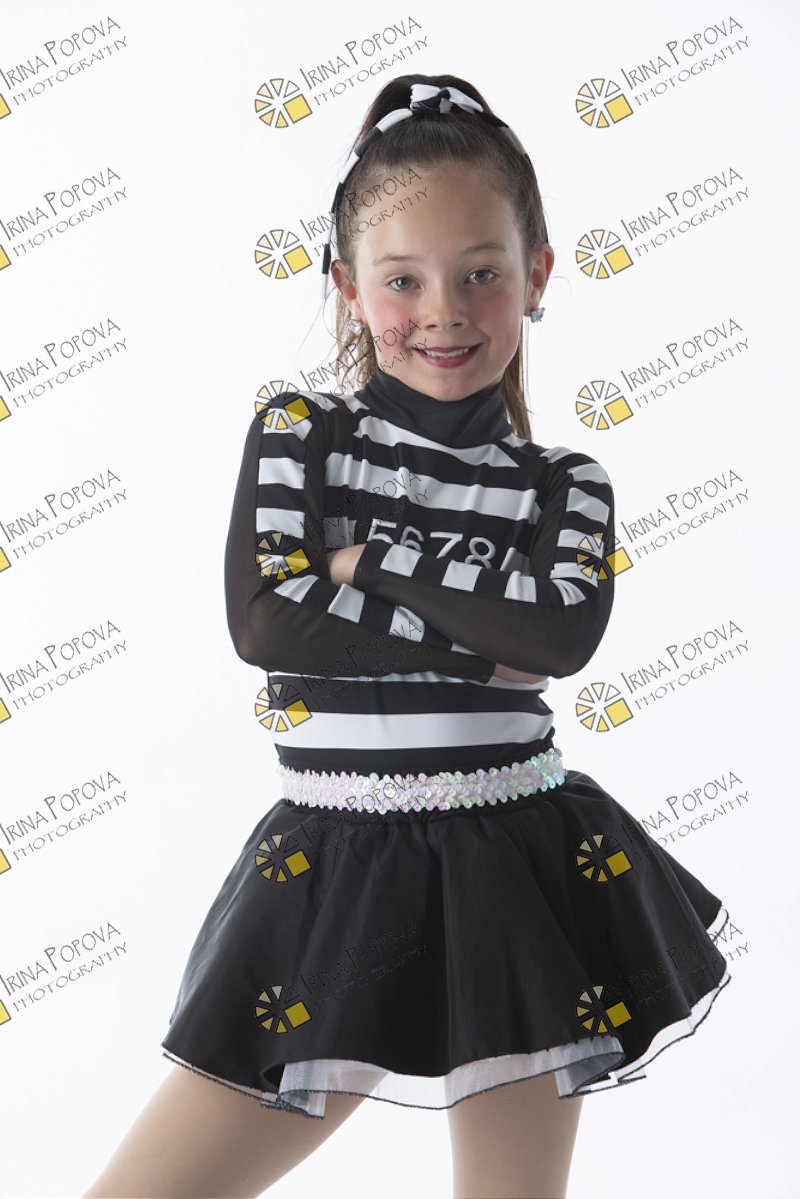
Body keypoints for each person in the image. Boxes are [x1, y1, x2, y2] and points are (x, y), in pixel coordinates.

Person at [84, 73, 733, 1199]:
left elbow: (559, 640)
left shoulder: (562, 483)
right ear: (347, 288)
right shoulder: (301, 432)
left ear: (536, 275)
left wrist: (364, 563)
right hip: (332, 863)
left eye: (482, 272)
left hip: (519, 866)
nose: (443, 310)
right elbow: (266, 621)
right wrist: (488, 639)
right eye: (401, 279)